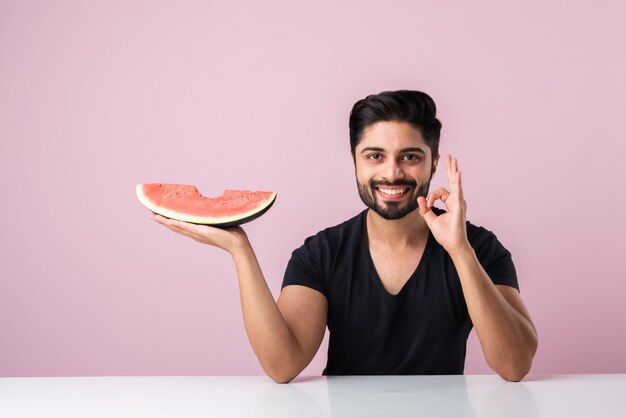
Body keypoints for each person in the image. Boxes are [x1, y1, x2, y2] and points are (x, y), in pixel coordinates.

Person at [150, 90, 538, 383]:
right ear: (353, 160)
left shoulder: (480, 248)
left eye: (410, 156)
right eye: (374, 156)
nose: (392, 173)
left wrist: (459, 251)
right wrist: (240, 249)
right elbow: (283, 365)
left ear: (433, 163)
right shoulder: (321, 254)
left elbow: (514, 365)